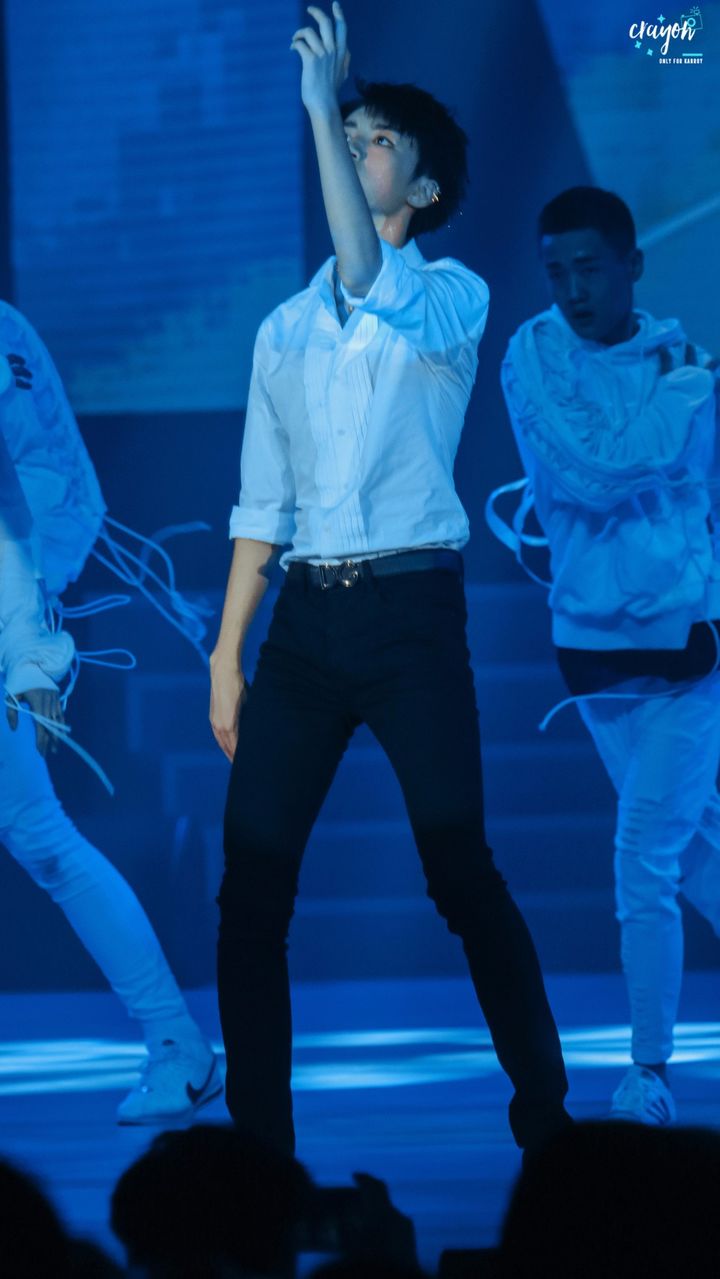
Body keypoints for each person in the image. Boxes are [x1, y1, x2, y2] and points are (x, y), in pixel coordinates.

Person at [210, 1, 570, 1157]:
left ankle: (550, 1121)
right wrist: (226, 654)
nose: (356, 145)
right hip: (306, 627)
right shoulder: (282, 328)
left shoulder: (451, 297)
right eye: (349, 134)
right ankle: (259, 1151)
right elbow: (262, 505)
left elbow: (369, 276)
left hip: (412, 616)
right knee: (251, 891)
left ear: (423, 187)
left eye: (377, 141)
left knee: (459, 869)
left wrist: (323, 106)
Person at [496, 185, 720, 1125]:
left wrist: (681, 397)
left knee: (645, 853)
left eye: (589, 268)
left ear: (632, 264)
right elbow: (594, 473)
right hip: (590, 652)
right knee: (692, 847)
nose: (573, 289)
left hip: (685, 650)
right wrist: (679, 399)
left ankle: (648, 1073)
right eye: (556, 271)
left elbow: (698, 495)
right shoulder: (534, 354)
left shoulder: (684, 361)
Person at [0, 319, 220, 1124]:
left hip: (17, 590)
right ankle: (177, 1042)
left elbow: (16, 494)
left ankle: (177, 1042)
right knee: (42, 837)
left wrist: (28, 648)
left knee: (41, 837)